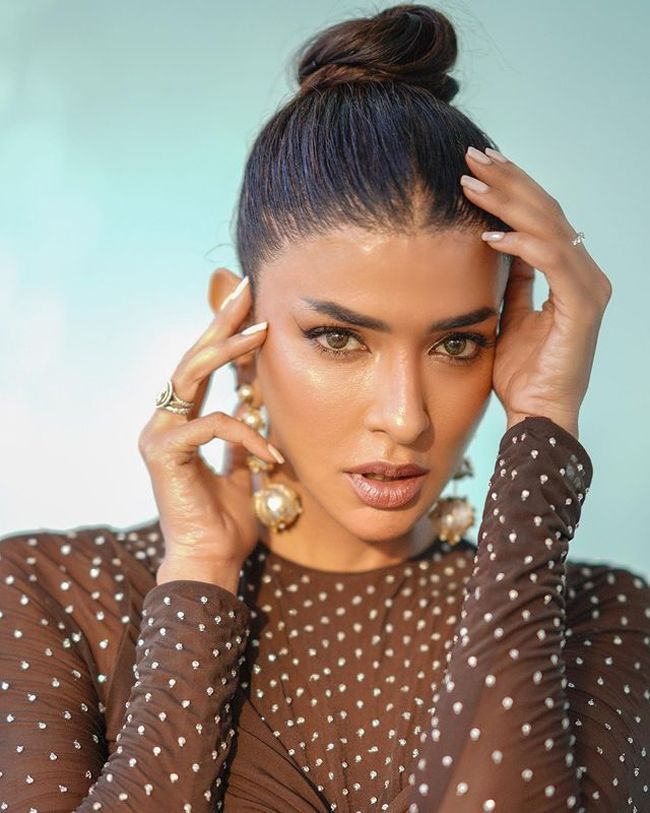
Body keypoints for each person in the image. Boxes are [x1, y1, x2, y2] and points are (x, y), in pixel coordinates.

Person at [1, 3, 648, 812]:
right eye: (339, 338)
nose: (406, 417)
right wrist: (198, 574)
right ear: (236, 320)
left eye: (457, 344)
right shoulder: (55, 592)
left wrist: (542, 425)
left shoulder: (599, 616)